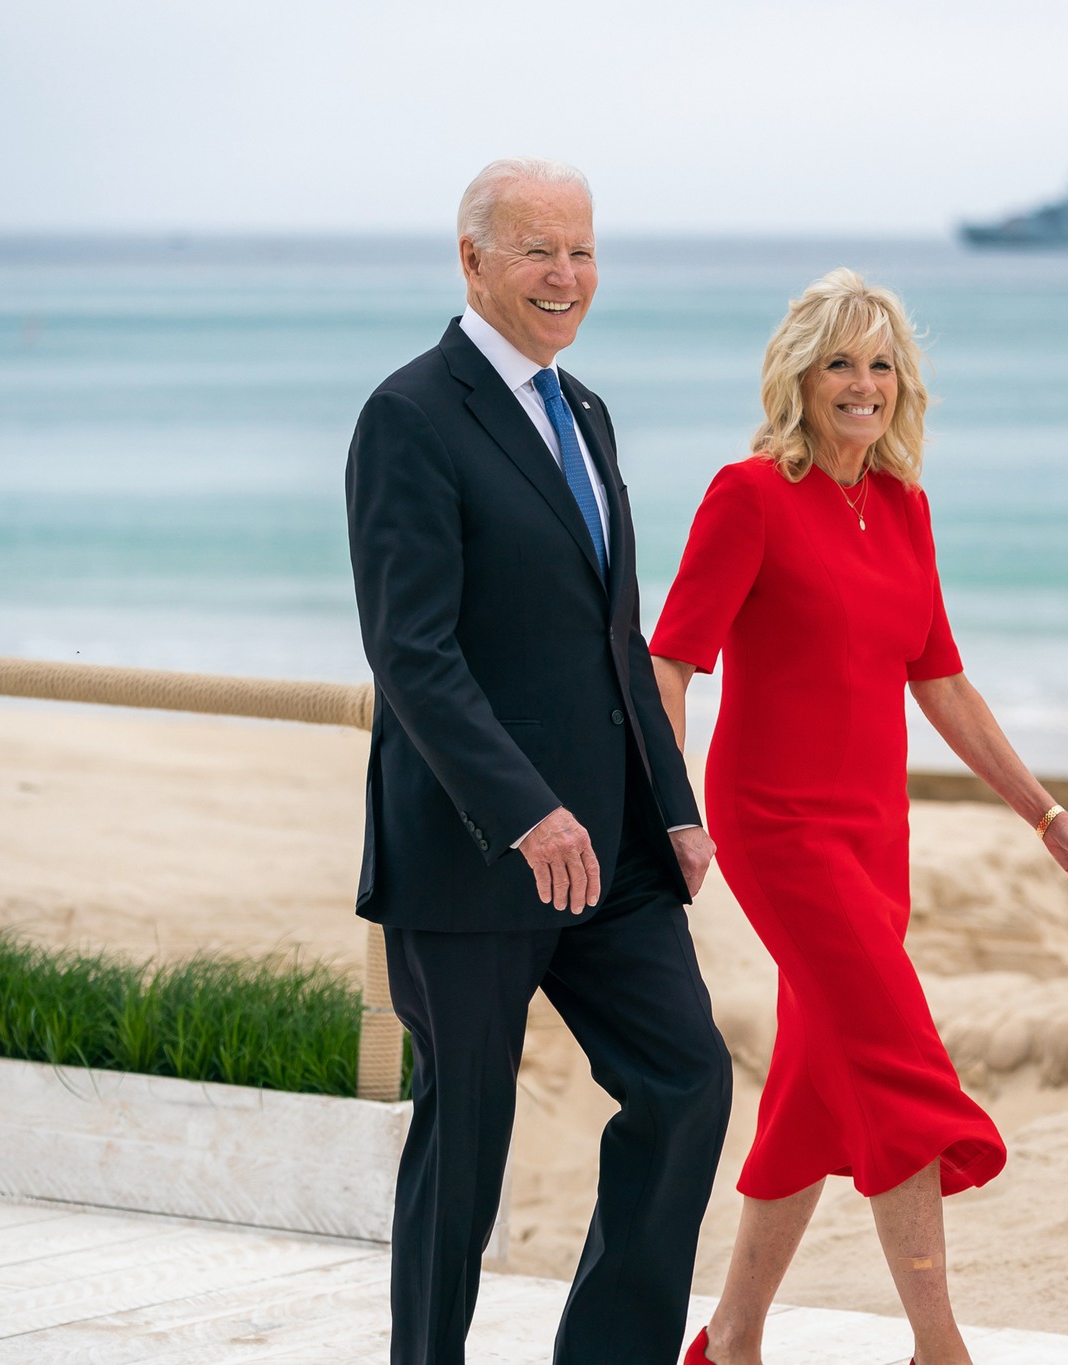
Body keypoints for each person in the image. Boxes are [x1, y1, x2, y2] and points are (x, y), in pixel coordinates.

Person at [651, 269, 1068, 1365]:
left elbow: (941, 681)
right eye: (838, 364)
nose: (861, 384)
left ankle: (729, 1345)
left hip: (873, 831)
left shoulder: (904, 508)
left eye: (879, 363)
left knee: (817, 1089)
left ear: (900, 383)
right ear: (798, 379)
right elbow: (670, 663)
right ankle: (938, 1348)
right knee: (897, 1061)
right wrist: (671, 812)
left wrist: (1044, 816)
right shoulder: (749, 494)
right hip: (774, 824)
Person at [345, 157, 731, 1365]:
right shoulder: (408, 415)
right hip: (475, 855)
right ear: (471, 260)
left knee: (686, 1087)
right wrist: (523, 812)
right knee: (465, 1145)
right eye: (535, 251)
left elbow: (617, 636)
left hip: (612, 847)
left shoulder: (587, 412)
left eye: (581, 251)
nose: (565, 277)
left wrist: (671, 803)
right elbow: (412, 652)